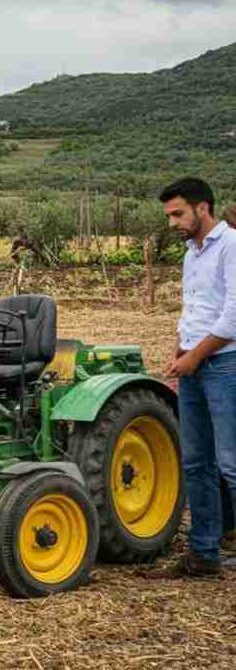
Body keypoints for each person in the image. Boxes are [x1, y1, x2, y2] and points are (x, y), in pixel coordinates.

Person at [149, 178, 236, 577]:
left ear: (203, 208)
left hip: (225, 367)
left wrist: (195, 356)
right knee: (197, 462)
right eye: (169, 215)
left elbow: (233, 318)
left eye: (178, 213)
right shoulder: (192, 253)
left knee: (230, 463)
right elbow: (196, 310)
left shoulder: (232, 246)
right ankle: (204, 554)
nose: (173, 223)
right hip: (196, 367)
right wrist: (181, 350)